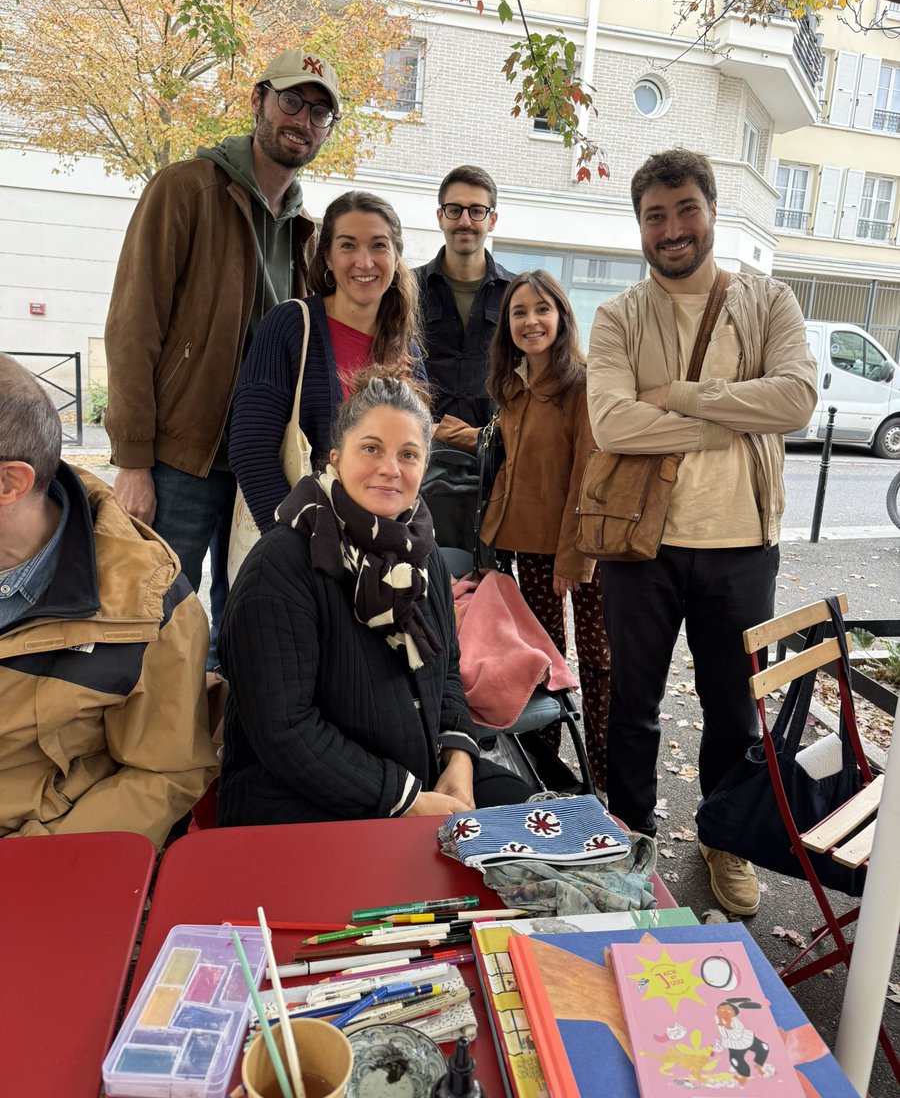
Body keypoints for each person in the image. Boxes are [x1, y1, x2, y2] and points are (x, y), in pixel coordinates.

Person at [587, 148, 817, 917]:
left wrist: (682, 396)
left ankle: (725, 840)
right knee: (634, 705)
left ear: (713, 210)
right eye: (656, 214)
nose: (673, 227)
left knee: (731, 710)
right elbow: (612, 419)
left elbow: (794, 401)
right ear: (640, 226)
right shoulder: (619, 315)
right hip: (640, 546)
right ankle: (633, 834)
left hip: (742, 545)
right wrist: (729, 416)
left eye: (686, 208)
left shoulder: (769, 302)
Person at [104, 48, 341, 665]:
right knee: (155, 620)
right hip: (181, 460)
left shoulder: (305, 232)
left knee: (248, 621)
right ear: (257, 100)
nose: (303, 120)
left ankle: (221, 752)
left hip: (261, 464)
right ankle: (151, 755)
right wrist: (132, 461)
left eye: (320, 113)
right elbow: (133, 327)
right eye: (291, 100)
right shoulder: (185, 189)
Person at [216, 370, 534, 826]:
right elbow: (285, 731)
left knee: (542, 829)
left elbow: (444, 670)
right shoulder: (281, 565)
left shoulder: (423, 556)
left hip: (420, 771)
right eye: (371, 449)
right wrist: (405, 800)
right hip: (302, 802)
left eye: (409, 454)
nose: (391, 468)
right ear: (334, 457)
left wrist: (459, 759)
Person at [0, 354, 217, 846]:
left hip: (39, 856)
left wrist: (31, 864)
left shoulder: (151, 606)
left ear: (10, 482)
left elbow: (164, 775)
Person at [479, 270, 610, 790]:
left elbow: (588, 468)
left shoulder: (581, 382)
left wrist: (575, 556)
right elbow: (519, 458)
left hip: (580, 551)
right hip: (526, 548)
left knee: (599, 665)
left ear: (561, 315)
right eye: (519, 312)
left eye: (541, 310)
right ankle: (545, 779)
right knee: (540, 666)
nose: (531, 321)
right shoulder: (512, 384)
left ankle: (604, 779)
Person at [229, 190, 426, 534]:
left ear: (396, 257)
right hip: (300, 543)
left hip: (379, 554)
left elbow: (415, 456)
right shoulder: (291, 325)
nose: (364, 262)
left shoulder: (406, 348)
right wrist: (295, 546)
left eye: (379, 245)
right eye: (348, 246)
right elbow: (251, 450)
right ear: (329, 259)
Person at [415, 165, 513, 432]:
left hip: (495, 454)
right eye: (454, 210)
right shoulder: (407, 289)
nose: (465, 221)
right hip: (421, 451)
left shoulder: (516, 294)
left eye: (477, 211)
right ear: (440, 217)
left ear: (491, 220)